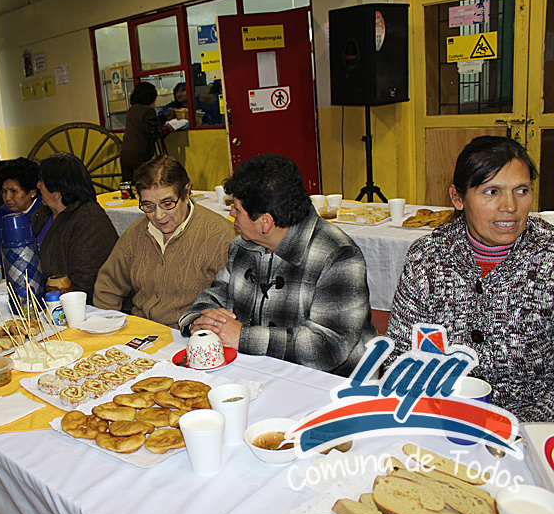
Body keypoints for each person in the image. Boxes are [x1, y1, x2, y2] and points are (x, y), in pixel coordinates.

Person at [386, 136, 554, 422]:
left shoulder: (547, 258)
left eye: (522, 191)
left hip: (531, 427)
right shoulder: (428, 257)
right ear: (458, 198)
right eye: (492, 191)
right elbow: (400, 356)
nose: (510, 206)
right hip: (440, 418)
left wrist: (517, 428)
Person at [179, 153, 376, 377]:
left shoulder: (338, 256)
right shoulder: (244, 245)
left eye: (237, 209)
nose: (231, 214)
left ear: (266, 222)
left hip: (331, 382)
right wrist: (199, 321)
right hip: (258, 369)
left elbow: (328, 347)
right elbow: (216, 295)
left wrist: (243, 337)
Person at [94, 155, 235, 328]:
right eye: (148, 206)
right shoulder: (137, 232)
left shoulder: (220, 235)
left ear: (186, 193)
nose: (158, 215)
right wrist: (108, 327)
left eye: (167, 204)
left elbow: (234, 304)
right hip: (142, 330)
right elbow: (108, 287)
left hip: (191, 334)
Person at [38, 153, 118, 303]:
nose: (38, 186)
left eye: (42, 181)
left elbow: (86, 284)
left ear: (56, 191)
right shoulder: (43, 214)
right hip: (47, 301)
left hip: (77, 306)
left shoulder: (90, 222)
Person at [0, 157, 52, 265]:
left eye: (13, 191)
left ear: (32, 192)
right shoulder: (3, 213)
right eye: (4, 191)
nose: (7, 198)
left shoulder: (45, 213)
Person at [120, 81, 173, 181]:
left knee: (128, 182)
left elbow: (142, 123)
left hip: (125, 153)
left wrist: (164, 117)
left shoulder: (131, 110)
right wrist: (169, 128)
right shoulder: (149, 111)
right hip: (140, 153)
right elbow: (153, 131)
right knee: (143, 182)